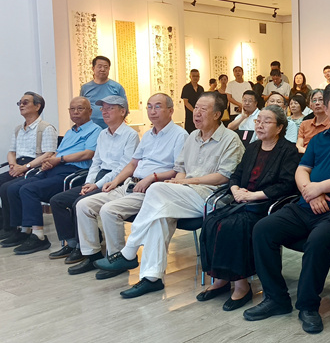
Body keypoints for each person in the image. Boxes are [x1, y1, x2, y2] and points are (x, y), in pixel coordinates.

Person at [244, 80, 330, 334]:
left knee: (317, 240)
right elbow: (302, 170)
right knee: (263, 229)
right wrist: (310, 191)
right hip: (307, 205)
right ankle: (276, 298)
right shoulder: (318, 140)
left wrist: (319, 187)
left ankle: (308, 306)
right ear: (325, 109)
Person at [95, 92, 245, 298]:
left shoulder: (230, 139)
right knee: (160, 216)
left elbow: (223, 176)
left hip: (210, 197)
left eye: (203, 109)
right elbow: (180, 167)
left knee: (156, 189)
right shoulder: (193, 136)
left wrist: (185, 182)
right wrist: (177, 181)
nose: (196, 113)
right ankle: (152, 278)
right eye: (196, 108)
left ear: (217, 114)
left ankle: (129, 251)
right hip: (184, 193)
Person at [69, 93, 188, 277]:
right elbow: (132, 164)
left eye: (158, 106)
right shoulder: (148, 135)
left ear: (171, 111)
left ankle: (116, 259)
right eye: (149, 106)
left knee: (109, 210)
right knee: (84, 205)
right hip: (129, 185)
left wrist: (152, 177)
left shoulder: (180, 135)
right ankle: (92, 255)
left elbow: (178, 170)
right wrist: (114, 181)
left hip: (152, 190)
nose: (152, 111)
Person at [198, 105, 299, 310]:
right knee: (212, 221)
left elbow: (286, 185)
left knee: (234, 226)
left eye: (266, 121)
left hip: (267, 205)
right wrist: (235, 189)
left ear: (280, 127)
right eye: (258, 121)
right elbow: (236, 174)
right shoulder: (253, 148)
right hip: (242, 200)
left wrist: (253, 195)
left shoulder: (288, 151)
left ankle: (241, 286)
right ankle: (220, 279)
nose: (260, 125)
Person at [2, 97, 101, 253]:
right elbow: (57, 153)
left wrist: (59, 159)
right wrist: (49, 161)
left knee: (29, 190)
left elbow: (88, 154)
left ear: (90, 111)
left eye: (80, 108)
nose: (75, 112)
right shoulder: (70, 132)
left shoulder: (96, 131)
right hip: (54, 169)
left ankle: (39, 236)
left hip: (72, 173)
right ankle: (23, 231)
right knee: (13, 188)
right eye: (72, 109)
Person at [48, 95, 140, 264]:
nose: (104, 112)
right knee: (58, 200)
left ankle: (88, 251)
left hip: (117, 180)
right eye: (103, 108)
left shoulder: (131, 135)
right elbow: (96, 162)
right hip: (98, 177)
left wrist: (96, 185)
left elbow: (123, 168)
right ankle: (74, 244)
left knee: (79, 203)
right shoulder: (103, 134)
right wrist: (88, 183)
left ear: (122, 112)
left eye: (110, 108)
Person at [0, 92, 57, 239]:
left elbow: (48, 154)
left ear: (37, 106)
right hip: (18, 166)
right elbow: (11, 152)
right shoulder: (19, 129)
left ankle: (12, 228)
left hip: (35, 168)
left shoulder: (46, 128)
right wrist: (13, 165)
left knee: (6, 188)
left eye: (25, 102)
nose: (21, 105)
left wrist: (25, 167)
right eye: (20, 103)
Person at [80, 56, 128, 129]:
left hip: (112, 128)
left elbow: (125, 109)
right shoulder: (85, 88)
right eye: (99, 67)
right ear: (93, 68)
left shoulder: (117, 87)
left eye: (106, 67)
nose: (102, 69)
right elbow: (81, 108)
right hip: (90, 128)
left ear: (109, 69)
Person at [296, 89, 330, 153]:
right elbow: (298, 146)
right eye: (314, 100)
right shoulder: (304, 124)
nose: (317, 103)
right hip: (304, 155)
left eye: (320, 100)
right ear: (310, 105)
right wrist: (310, 154)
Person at [181, 69, 204, 133]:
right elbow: (186, 103)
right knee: (190, 132)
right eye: (193, 76)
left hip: (200, 114)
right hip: (190, 115)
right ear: (190, 77)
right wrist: (194, 110)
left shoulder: (201, 88)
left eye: (197, 76)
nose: (195, 78)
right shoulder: (186, 88)